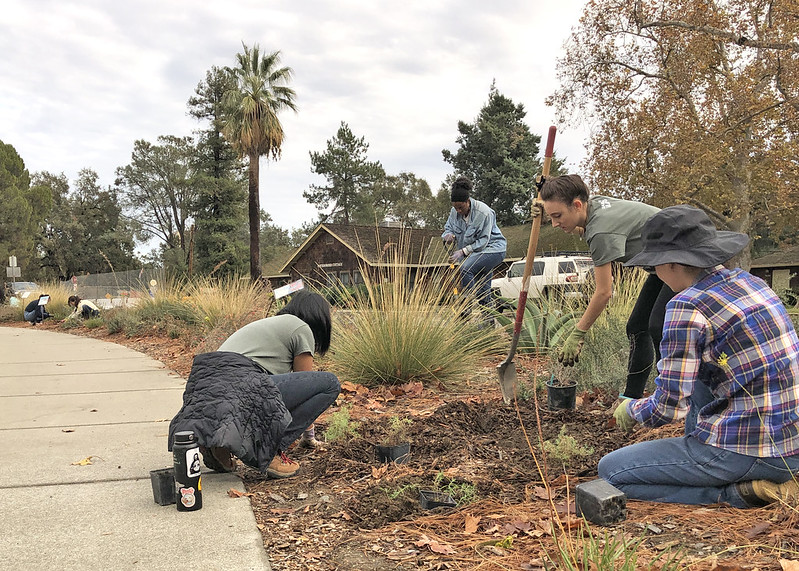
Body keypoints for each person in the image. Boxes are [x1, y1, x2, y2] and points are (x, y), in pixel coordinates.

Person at [598, 205, 799, 508]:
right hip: (792, 444)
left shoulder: (687, 306)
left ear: (673, 264)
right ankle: (718, 464)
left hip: (748, 452)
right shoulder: (752, 283)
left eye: (654, 266)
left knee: (612, 472)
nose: (655, 274)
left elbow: (668, 409)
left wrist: (631, 409)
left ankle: (733, 494)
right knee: (708, 371)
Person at [169, 290, 340, 480]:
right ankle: (267, 450)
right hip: (242, 379)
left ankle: (219, 445)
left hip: (207, 381)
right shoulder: (300, 328)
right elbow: (306, 384)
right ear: (319, 318)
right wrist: (308, 437)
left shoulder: (266, 325)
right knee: (330, 383)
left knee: (263, 392)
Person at [540, 174, 672, 398]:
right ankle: (630, 397)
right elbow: (577, 215)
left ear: (577, 205)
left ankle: (670, 397)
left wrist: (578, 333)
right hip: (663, 267)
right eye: (550, 217)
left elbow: (604, 292)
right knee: (637, 327)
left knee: (658, 326)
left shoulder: (600, 231)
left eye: (557, 216)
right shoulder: (594, 205)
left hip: (684, 263)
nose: (554, 224)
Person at [442, 176, 507, 321]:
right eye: (455, 207)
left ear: (468, 201)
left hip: (493, 250)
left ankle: (465, 304)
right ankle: (488, 330)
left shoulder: (484, 212)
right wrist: (447, 235)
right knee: (483, 294)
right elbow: (448, 227)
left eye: (461, 207)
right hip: (475, 254)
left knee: (465, 268)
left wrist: (463, 251)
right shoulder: (454, 212)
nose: (458, 210)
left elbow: (484, 240)